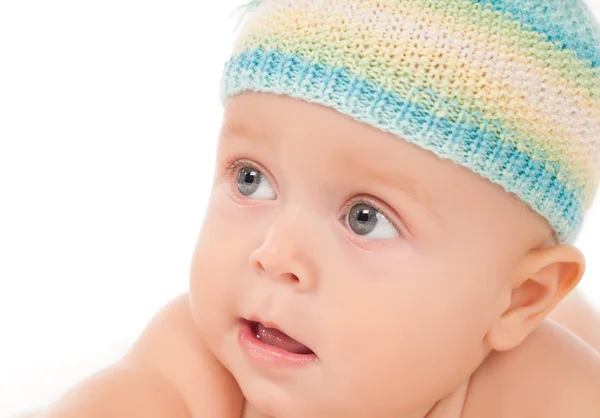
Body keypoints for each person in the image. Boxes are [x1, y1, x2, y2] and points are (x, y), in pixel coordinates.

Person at [40, 0, 600, 417]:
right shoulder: (199, 362)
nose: (274, 254)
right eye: (251, 180)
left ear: (518, 299)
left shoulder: (544, 393)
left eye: (366, 218)